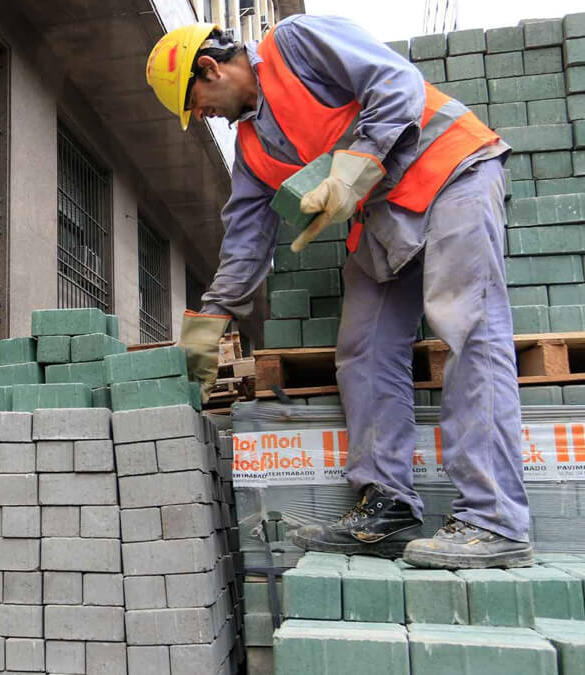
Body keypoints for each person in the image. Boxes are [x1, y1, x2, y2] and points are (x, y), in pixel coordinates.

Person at [147, 15, 532, 568]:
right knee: (364, 349)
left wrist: (356, 165)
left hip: (450, 172)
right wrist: (211, 323)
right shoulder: (252, 150)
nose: (204, 117)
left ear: (209, 68)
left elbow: (394, 83)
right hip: (384, 220)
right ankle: (388, 507)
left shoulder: (293, 43)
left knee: (468, 326)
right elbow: (247, 241)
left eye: (199, 104)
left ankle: (495, 520)